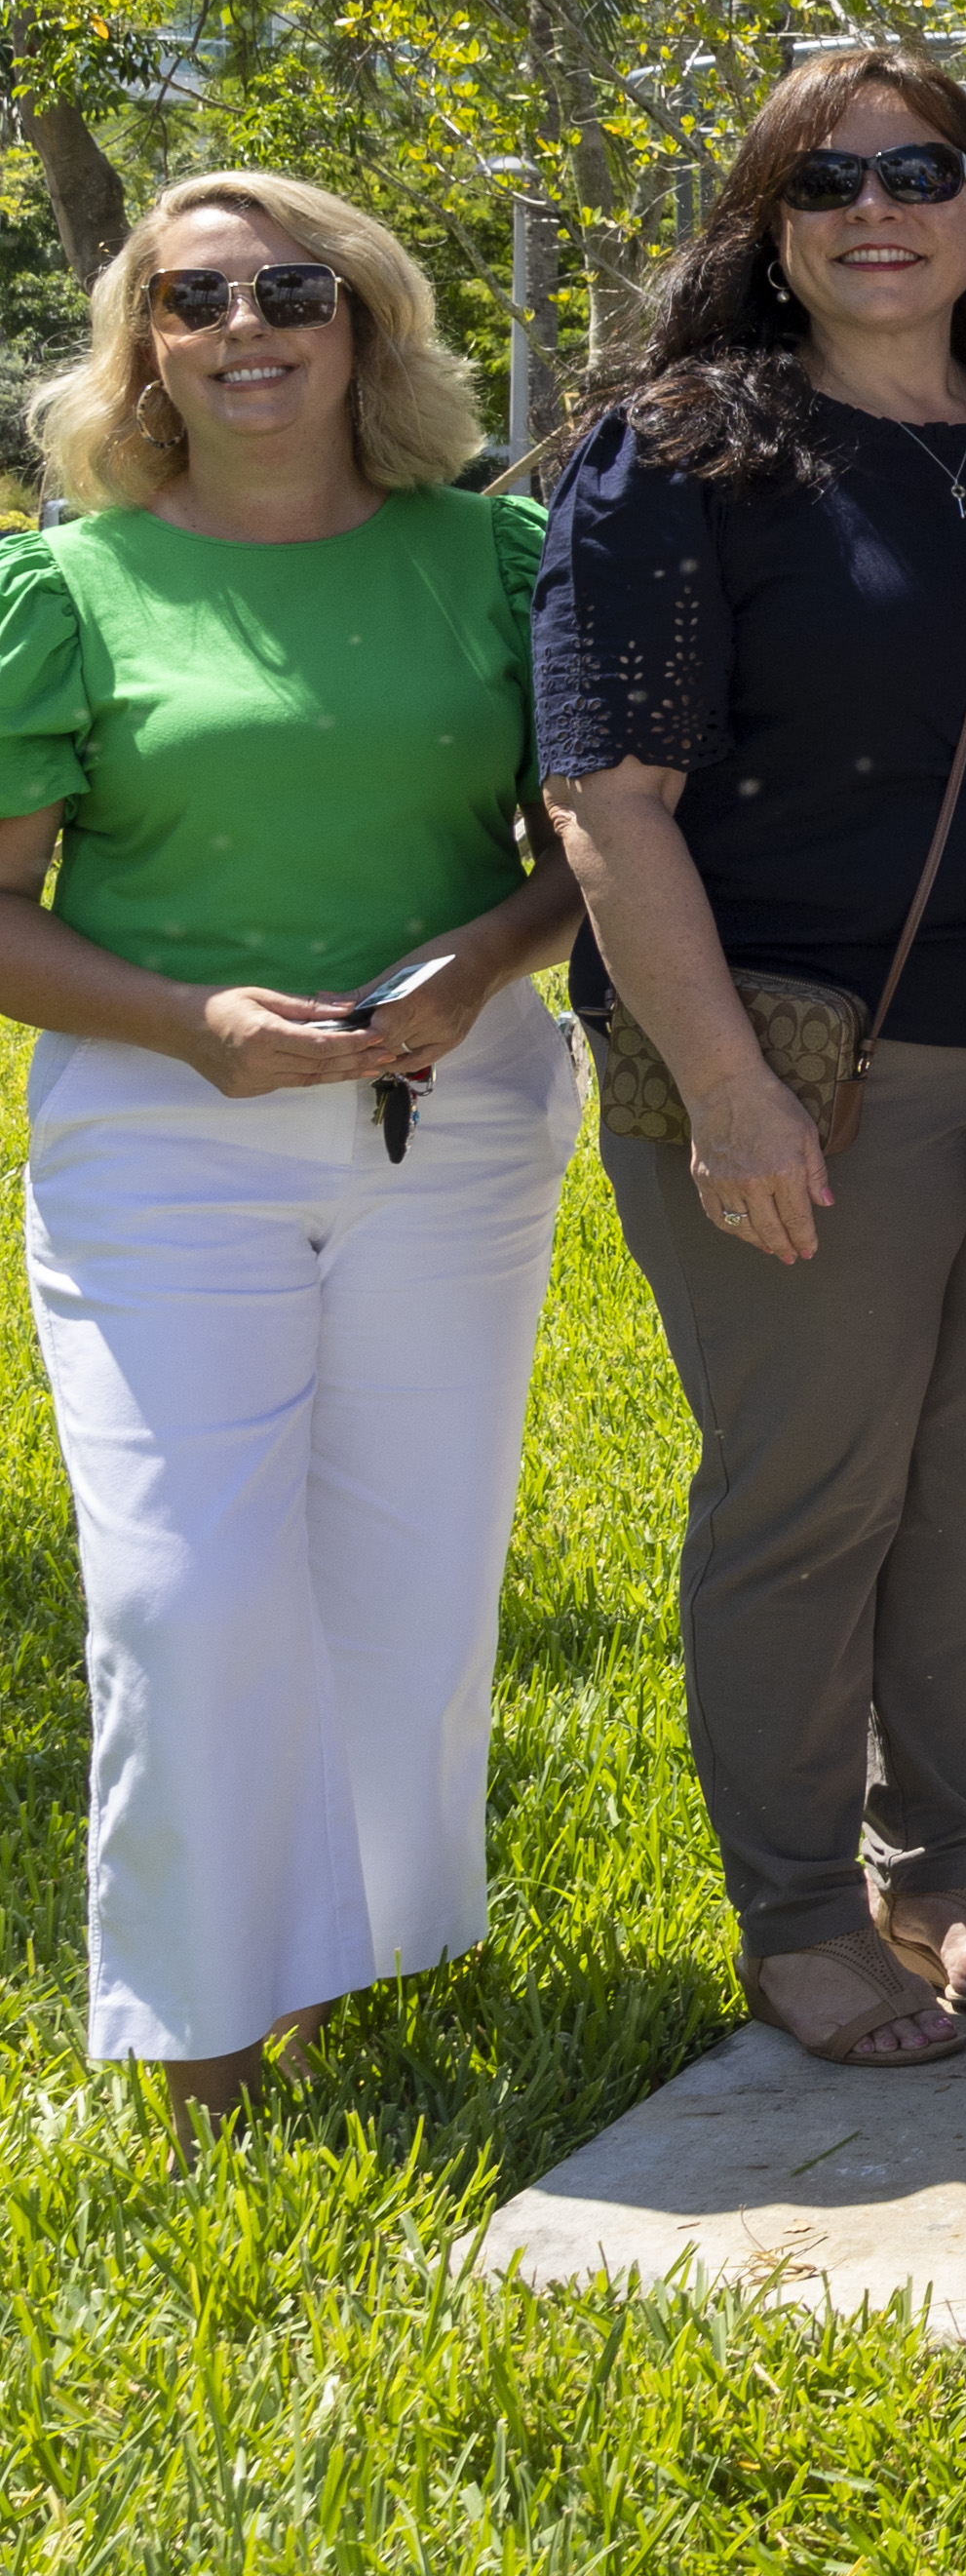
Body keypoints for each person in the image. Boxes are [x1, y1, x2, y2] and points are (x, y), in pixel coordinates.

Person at [540, 56, 966, 2071]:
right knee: (814, 1496)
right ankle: (797, 1912)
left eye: (923, 169)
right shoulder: (681, 450)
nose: (878, 207)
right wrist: (725, 1089)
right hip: (808, 1061)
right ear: (769, 220)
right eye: (829, 177)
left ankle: (938, 1866)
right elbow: (611, 803)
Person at [0, 176, 585, 2121]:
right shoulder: (67, 588)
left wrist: (485, 957)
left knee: (406, 1582)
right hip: (164, 1127)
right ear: (142, 343)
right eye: (195, 297)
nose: (246, 324)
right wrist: (195, 1026)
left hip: (460, 1114)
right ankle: (193, 2026)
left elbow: (583, 851)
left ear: (367, 320)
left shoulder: (500, 560)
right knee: (184, 1589)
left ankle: (330, 1951)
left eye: (291, 288)